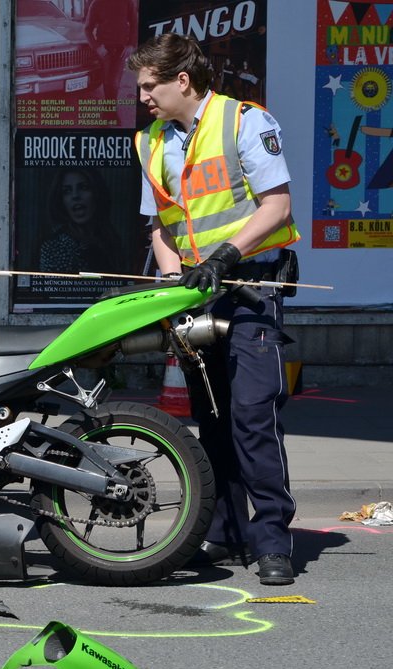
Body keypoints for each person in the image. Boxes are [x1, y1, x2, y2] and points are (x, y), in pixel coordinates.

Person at [127, 34, 301, 586]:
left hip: (250, 288)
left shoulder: (244, 121)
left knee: (253, 416)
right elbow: (160, 227)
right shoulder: (151, 141)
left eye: (150, 86)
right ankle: (224, 530)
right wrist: (173, 278)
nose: (143, 97)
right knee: (213, 420)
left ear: (183, 81)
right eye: (140, 88)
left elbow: (277, 205)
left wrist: (225, 257)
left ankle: (271, 539)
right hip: (196, 296)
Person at [37, 167, 122, 274]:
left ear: (97, 193)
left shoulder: (111, 240)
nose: (75, 196)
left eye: (83, 187)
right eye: (67, 191)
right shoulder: (54, 248)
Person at [84, 0, 138, 105]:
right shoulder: (97, 3)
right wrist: (97, 47)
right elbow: (87, 29)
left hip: (121, 50)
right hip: (105, 50)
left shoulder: (127, 2)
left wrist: (131, 45)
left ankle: (110, 109)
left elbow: (134, 24)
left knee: (114, 83)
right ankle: (109, 110)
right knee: (107, 82)